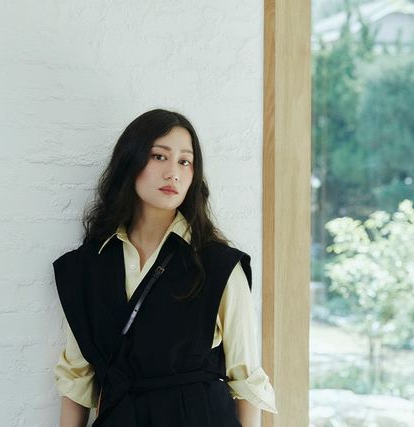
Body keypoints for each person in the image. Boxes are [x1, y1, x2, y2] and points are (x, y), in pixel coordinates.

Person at [52, 109, 277, 426]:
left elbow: (246, 379)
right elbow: (78, 380)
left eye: (185, 161)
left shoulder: (219, 265)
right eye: (159, 156)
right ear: (130, 161)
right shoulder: (85, 268)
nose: (173, 173)